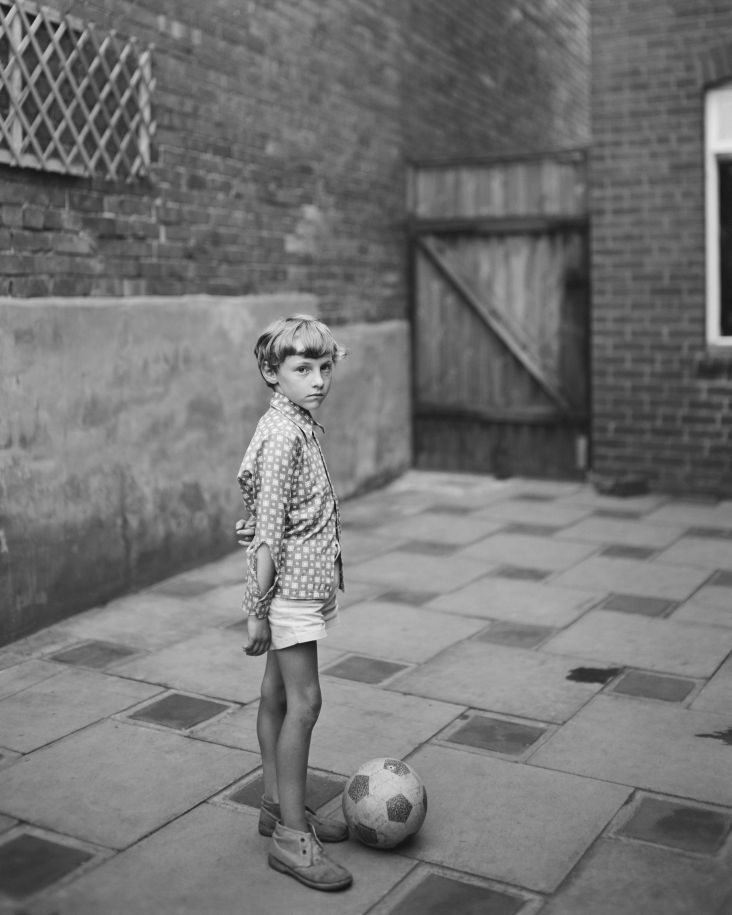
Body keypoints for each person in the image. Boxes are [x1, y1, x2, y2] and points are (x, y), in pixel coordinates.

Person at [235, 314, 352, 892]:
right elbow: (267, 533)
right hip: (290, 593)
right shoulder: (283, 433)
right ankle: (290, 839)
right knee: (305, 703)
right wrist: (257, 608)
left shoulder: (295, 421)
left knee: (275, 694)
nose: (318, 380)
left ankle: (277, 805)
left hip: (299, 586)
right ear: (271, 372)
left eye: (324, 367)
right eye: (303, 369)